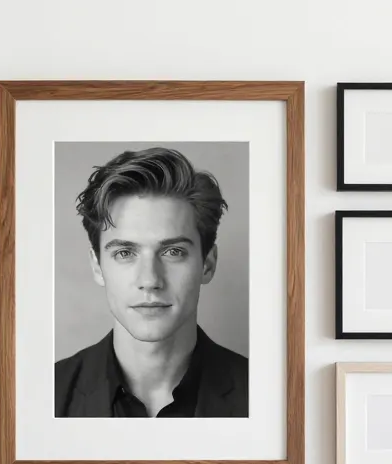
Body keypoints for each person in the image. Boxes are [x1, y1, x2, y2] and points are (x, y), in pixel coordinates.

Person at [55, 147, 248, 418]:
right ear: (97, 266)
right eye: (125, 253)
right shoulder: (43, 397)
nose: (149, 280)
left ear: (208, 263)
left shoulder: (266, 396)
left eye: (173, 252)